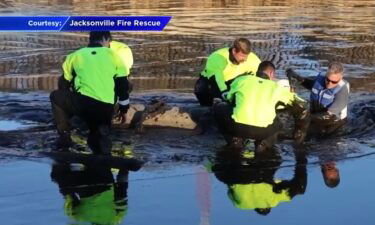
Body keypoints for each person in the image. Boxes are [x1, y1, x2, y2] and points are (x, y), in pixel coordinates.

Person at [50, 31, 130, 154]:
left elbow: (64, 84)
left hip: (83, 104)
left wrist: (68, 112)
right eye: (109, 41)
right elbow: (122, 84)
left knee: (55, 96)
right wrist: (124, 109)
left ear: (90, 39)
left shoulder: (76, 55)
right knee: (97, 134)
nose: (109, 44)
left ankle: (64, 135)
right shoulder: (114, 56)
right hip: (106, 107)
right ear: (105, 39)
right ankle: (101, 133)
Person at [213, 72, 309, 152]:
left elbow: (229, 98)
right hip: (264, 131)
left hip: (238, 127)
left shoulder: (242, 80)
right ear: (271, 74)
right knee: (278, 122)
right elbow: (302, 103)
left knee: (219, 106)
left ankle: (234, 140)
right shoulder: (276, 87)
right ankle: (264, 144)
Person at [212, 148, 307, 215]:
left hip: (260, 172)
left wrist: (301, 160)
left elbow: (300, 189)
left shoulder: (273, 202)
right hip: (235, 174)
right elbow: (229, 192)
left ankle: (300, 153)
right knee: (215, 166)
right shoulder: (240, 205)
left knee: (275, 159)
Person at [50, 163, 130, 224]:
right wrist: (66, 189)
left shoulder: (114, 220)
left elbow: (122, 196)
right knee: (58, 178)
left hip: (104, 181)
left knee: (101, 163)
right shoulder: (79, 221)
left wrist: (124, 172)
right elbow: (70, 201)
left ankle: (101, 152)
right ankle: (69, 162)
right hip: (83, 182)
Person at [286, 61, 350, 136]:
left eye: (334, 82)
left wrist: (308, 117)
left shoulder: (342, 91)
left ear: (340, 78)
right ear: (326, 74)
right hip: (315, 115)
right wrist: (296, 76)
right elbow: (311, 85)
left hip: (333, 122)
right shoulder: (321, 79)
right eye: (328, 80)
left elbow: (330, 114)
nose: (329, 83)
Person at [194, 38, 261, 106]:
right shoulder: (218, 57)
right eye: (242, 56)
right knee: (201, 88)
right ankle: (207, 106)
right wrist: (224, 91)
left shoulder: (253, 59)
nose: (245, 59)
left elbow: (262, 77)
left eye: (247, 56)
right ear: (234, 51)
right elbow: (217, 78)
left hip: (235, 83)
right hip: (213, 82)